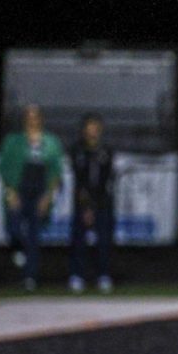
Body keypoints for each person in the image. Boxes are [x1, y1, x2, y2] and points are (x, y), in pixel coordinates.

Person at [0, 105, 64, 291]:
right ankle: (18, 247)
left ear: (41, 119)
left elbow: (55, 170)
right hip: (19, 188)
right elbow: (4, 166)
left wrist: (48, 196)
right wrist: (10, 191)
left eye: (35, 116)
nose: (32, 120)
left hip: (39, 189)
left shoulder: (50, 141)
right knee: (13, 227)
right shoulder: (13, 141)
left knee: (34, 236)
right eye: (29, 116)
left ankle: (30, 277)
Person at [68, 113, 115, 293]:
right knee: (79, 240)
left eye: (95, 128)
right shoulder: (78, 150)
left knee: (103, 240)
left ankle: (103, 275)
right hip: (81, 200)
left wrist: (96, 204)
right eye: (89, 128)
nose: (92, 132)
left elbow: (106, 178)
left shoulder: (106, 151)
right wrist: (86, 206)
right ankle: (77, 275)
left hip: (102, 201)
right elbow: (79, 179)